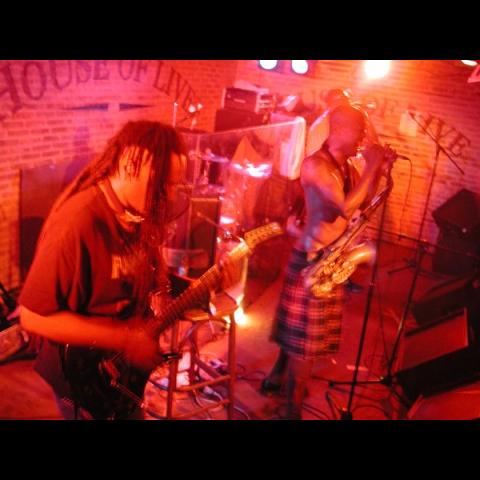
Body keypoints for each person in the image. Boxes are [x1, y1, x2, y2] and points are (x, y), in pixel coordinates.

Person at [19, 120, 239, 419]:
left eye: (174, 184)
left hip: (123, 373)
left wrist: (203, 286)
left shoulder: (134, 215)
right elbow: (32, 317)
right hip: (82, 377)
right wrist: (123, 339)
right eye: (161, 183)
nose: (169, 195)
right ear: (128, 165)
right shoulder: (77, 223)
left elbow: (146, 277)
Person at [260, 104, 396, 419]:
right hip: (311, 262)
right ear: (341, 130)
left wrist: (379, 171)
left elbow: (364, 200)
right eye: (360, 131)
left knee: (299, 340)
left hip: (330, 261)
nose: (364, 137)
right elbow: (345, 208)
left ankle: (277, 380)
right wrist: (372, 164)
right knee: (303, 347)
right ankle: (291, 410)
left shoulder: (345, 167)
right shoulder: (315, 166)